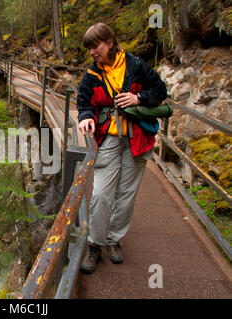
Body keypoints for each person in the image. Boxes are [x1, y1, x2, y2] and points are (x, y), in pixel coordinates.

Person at [77, 23, 167, 274]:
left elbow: (160, 90)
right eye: (89, 48)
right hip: (109, 140)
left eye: (95, 46)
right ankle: (95, 243)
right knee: (101, 195)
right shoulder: (91, 75)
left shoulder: (136, 65)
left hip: (138, 138)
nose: (92, 52)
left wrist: (139, 99)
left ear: (109, 41)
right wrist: (85, 116)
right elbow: (83, 101)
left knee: (126, 194)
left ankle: (113, 239)